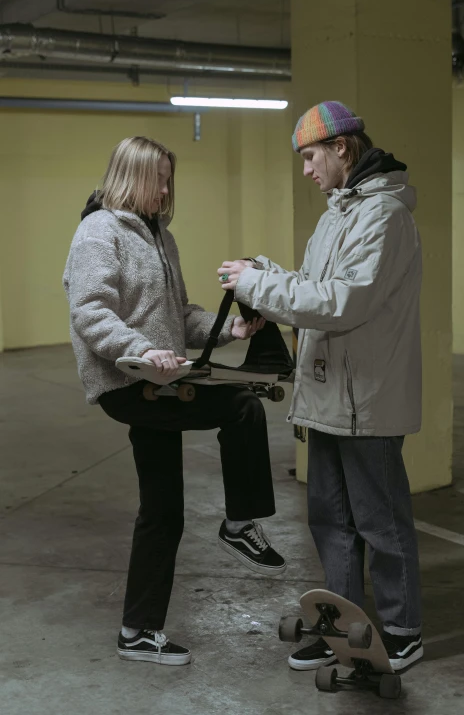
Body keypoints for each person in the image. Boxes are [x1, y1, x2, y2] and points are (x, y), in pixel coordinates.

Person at [63, 136, 286, 667]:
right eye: (158, 178)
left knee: (162, 510)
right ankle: (239, 524)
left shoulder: (160, 235)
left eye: (169, 178)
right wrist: (143, 350)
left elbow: (180, 316)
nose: (166, 189)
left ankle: (138, 632)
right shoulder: (98, 232)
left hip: (159, 378)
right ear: (130, 176)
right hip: (129, 382)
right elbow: (91, 312)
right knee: (242, 406)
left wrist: (229, 327)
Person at [217, 101, 423, 672]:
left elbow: (343, 303)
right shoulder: (338, 213)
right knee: (329, 519)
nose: (306, 170)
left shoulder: (383, 217)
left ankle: (404, 630)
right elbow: (313, 287)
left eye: (310, 157)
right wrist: (264, 278)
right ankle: (343, 625)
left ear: (341, 148)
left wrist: (262, 284)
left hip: (367, 397)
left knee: (379, 521)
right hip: (329, 393)